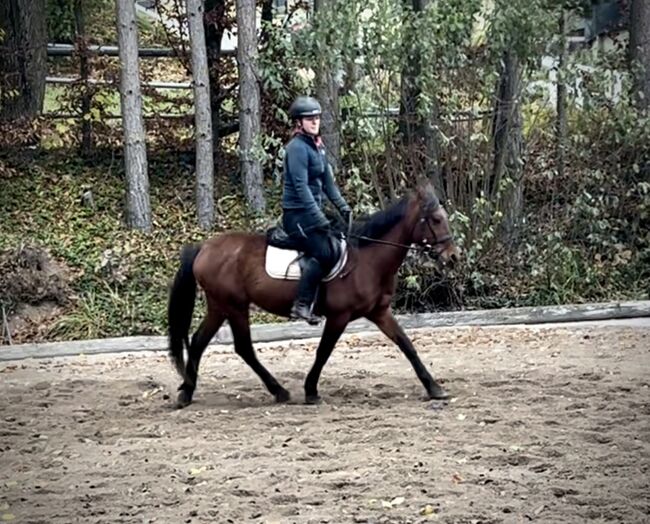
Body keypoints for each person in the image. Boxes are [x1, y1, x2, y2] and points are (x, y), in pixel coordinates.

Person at [281, 95, 352, 325]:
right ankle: (301, 305)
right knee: (324, 252)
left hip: (313, 212)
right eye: (309, 118)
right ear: (299, 123)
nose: (315, 121)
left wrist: (343, 207)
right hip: (297, 215)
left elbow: (328, 184)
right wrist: (319, 217)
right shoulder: (297, 149)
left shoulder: (318, 147)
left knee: (344, 237)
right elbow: (302, 188)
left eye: (317, 117)